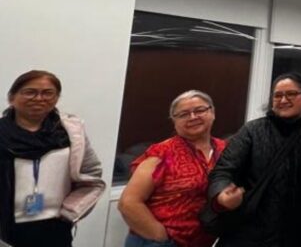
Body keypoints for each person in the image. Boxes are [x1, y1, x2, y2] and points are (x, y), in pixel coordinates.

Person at [203, 73, 301, 247]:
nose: (283, 100)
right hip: (248, 231)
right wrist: (222, 195)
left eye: (291, 94)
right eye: (277, 95)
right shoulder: (253, 131)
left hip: (296, 234)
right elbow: (223, 171)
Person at [0, 70, 105, 247]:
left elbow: (92, 176)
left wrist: (70, 212)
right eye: (29, 92)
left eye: (48, 93)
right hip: (5, 229)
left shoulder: (72, 134)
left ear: (56, 98)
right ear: (11, 97)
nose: (39, 98)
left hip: (56, 227)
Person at [120, 90, 226, 247]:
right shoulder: (162, 153)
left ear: (212, 112)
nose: (193, 117)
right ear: (174, 121)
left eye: (200, 110)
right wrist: (160, 236)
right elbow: (128, 203)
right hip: (161, 242)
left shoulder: (226, 149)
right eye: (183, 114)